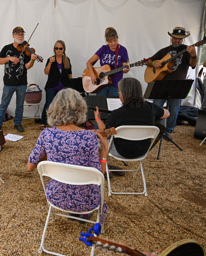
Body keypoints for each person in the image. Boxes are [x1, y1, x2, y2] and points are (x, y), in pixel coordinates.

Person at [27, 88, 108, 224]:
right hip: (87, 201)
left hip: (55, 197)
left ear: (54, 109)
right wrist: (104, 150)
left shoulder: (46, 134)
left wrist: (51, 151)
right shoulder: (89, 137)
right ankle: (83, 214)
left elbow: (30, 166)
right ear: (80, 109)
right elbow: (99, 176)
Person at [94, 77, 169, 159]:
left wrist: (97, 119)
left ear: (124, 94)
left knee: (95, 140)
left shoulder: (116, 114)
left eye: (119, 92)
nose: (119, 95)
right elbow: (167, 114)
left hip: (120, 152)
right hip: (142, 151)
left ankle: (102, 167)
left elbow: (105, 134)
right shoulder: (151, 108)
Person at [146, 26, 198, 141]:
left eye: (180, 39)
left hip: (178, 85)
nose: (177, 40)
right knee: (156, 108)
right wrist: (154, 63)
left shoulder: (187, 50)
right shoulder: (164, 51)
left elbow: (193, 64)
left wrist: (193, 54)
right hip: (161, 84)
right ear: (171, 38)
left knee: (174, 110)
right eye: (175, 38)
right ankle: (155, 129)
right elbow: (148, 61)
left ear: (183, 39)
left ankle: (167, 131)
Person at [0, 26, 38, 132]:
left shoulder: (26, 49)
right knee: (4, 104)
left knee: (20, 105)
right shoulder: (7, 48)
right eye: (18, 34)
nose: (21, 36)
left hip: (22, 82)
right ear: (13, 35)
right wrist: (9, 58)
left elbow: (27, 67)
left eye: (22, 34)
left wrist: (32, 60)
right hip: (9, 82)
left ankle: (17, 123)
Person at [85, 27, 130, 97]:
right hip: (101, 84)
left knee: (114, 105)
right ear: (107, 41)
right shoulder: (103, 49)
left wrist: (126, 69)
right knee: (100, 105)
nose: (113, 43)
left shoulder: (123, 50)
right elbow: (89, 63)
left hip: (115, 85)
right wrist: (93, 75)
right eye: (110, 41)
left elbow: (125, 67)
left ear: (117, 38)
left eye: (115, 40)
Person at [40, 40, 72, 129]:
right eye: (56, 48)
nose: (58, 50)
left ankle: (62, 121)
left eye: (60, 48)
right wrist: (50, 62)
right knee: (49, 104)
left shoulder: (67, 59)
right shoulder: (51, 59)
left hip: (64, 86)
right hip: (52, 86)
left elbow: (70, 74)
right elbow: (46, 72)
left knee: (64, 105)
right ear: (54, 49)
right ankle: (44, 122)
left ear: (63, 49)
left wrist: (70, 85)